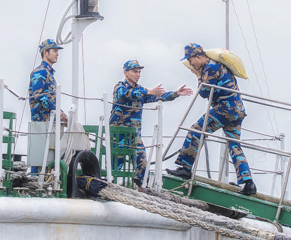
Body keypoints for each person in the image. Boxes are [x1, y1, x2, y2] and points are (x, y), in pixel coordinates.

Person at [166, 43, 257, 195]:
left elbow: (204, 92)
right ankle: (248, 183)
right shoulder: (215, 66)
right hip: (236, 109)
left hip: (225, 108)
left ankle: (185, 168)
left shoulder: (211, 67)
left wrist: (198, 77)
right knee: (234, 145)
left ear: (199, 57)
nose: (191, 64)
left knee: (195, 130)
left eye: (191, 60)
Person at [110, 60, 193, 188]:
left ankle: (144, 187)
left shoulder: (140, 90)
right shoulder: (120, 87)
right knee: (113, 166)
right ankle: (107, 186)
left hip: (134, 135)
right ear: (126, 73)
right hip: (118, 135)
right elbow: (126, 95)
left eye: (139, 72)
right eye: (135, 71)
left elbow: (157, 96)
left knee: (142, 162)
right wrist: (148, 92)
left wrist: (175, 93)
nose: (138, 75)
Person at [28, 39, 67, 124]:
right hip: (41, 122)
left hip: (50, 122)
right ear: (45, 53)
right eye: (55, 51)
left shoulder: (48, 73)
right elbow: (38, 95)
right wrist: (56, 110)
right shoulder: (40, 72)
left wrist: (62, 114)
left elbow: (51, 99)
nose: (57, 54)